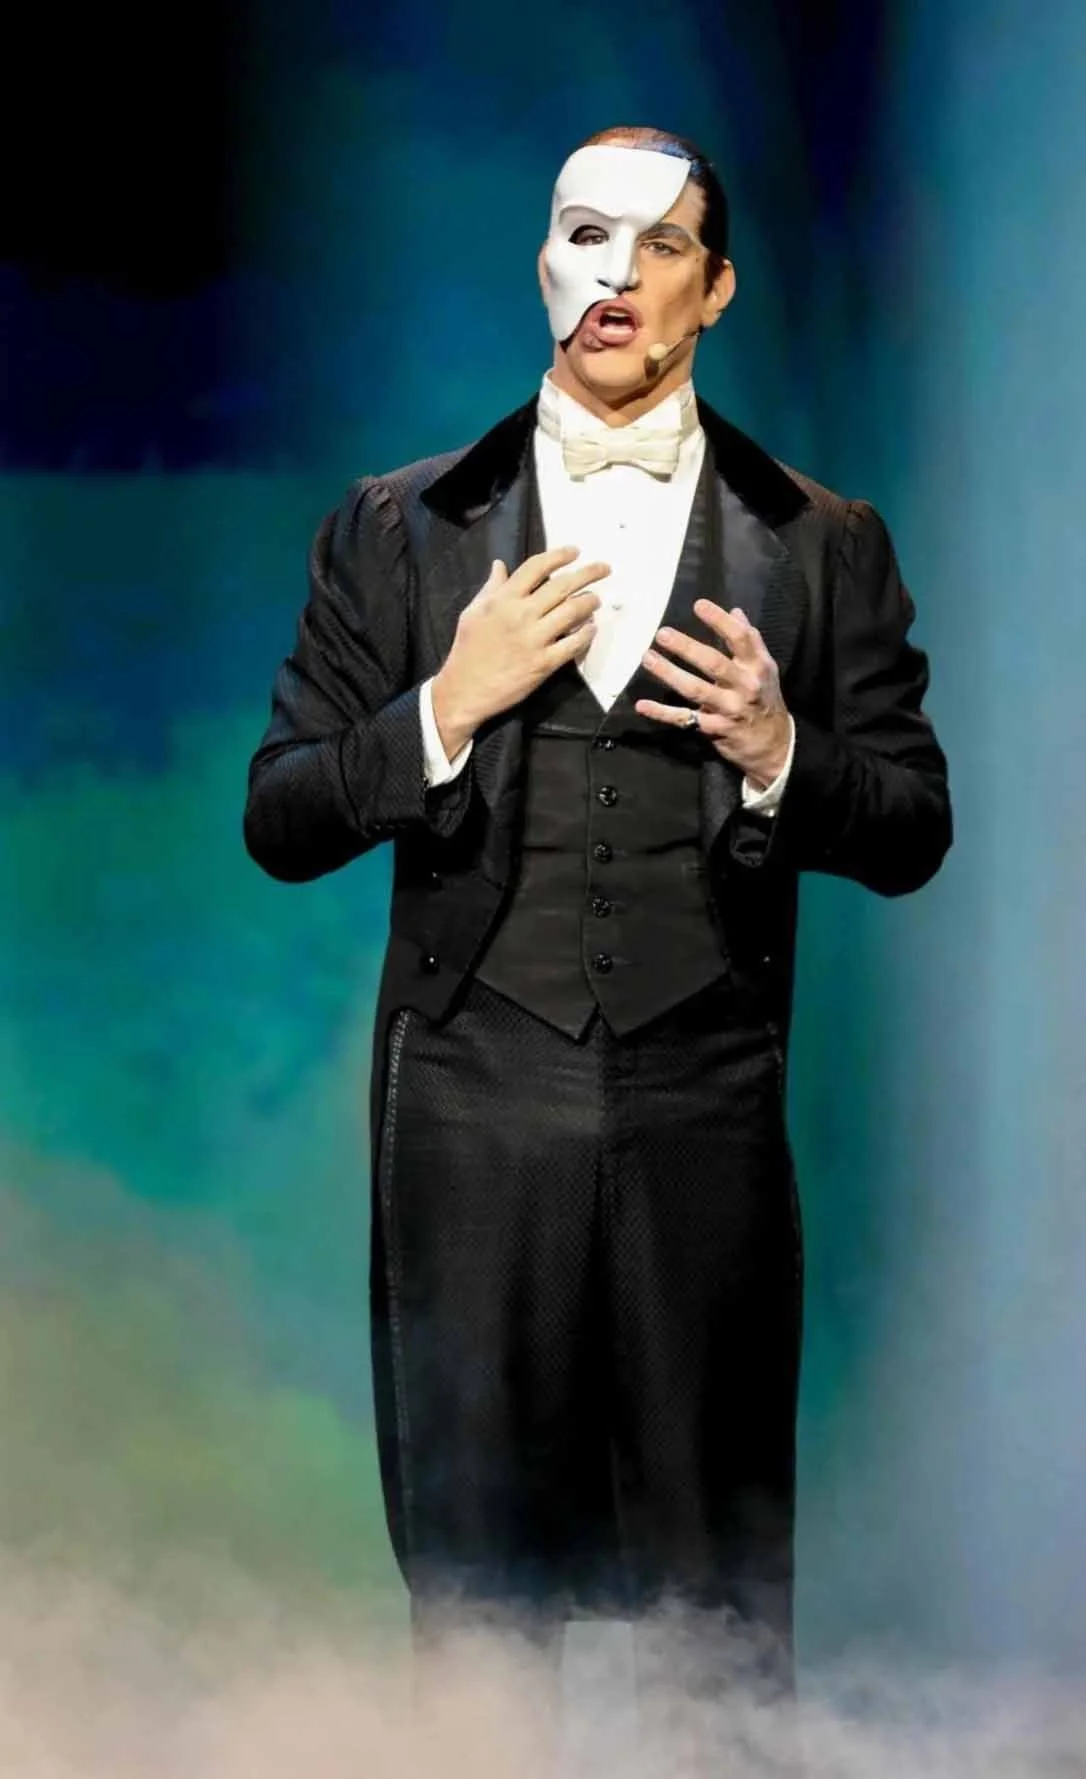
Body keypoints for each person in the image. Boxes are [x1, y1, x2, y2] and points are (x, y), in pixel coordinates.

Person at [242, 124, 952, 1708]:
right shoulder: (396, 529)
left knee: (713, 1604)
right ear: (541, 265)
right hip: (473, 1108)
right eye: (582, 234)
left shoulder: (822, 544)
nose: (614, 274)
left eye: (656, 245)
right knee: (482, 1591)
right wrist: (444, 703)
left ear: (714, 290)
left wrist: (782, 754)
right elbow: (279, 816)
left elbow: (912, 827)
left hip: (705, 1104)